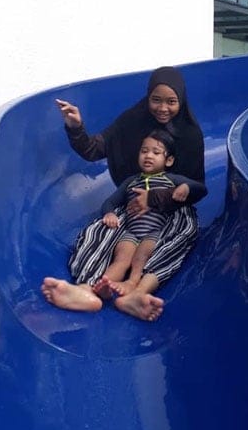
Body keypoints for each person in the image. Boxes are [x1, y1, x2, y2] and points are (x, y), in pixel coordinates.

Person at [41, 66, 206, 321]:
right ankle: (86, 289)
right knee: (99, 232)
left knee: (178, 237)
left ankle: (137, 293)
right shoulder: (132, 121)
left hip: (173, 210)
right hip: (132, 205)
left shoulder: (190, 135)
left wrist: (156, 199)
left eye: (171, 102)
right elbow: (94, 149)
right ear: (148, 97)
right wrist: (76, 127)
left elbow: (198, 188)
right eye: (156, 100)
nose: (163, 108)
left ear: (181, 101)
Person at [90, 130, 205, 304]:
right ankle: (104, 284)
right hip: (131, 231)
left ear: (169, 160)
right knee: (121, 259)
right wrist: (109, 213)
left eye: (156, 152)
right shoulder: (131, 182)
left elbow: (200, 188)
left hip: (154, 232)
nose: (148, 156)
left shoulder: (171, 179)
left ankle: (132, 283)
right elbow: (110, 202)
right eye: (144, 151)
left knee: (141, 258)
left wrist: (186, 187)